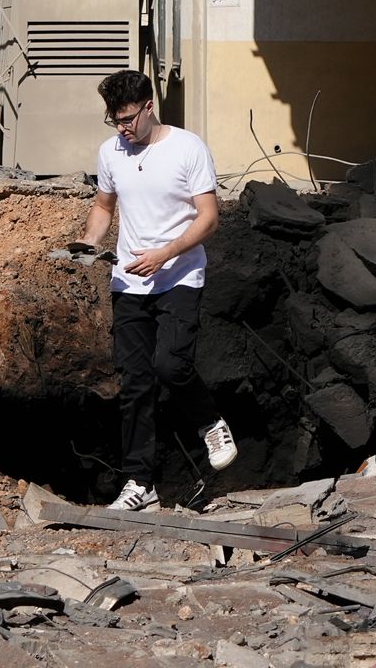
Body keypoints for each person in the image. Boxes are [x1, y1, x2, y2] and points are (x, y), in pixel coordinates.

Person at [77, 70, 237, 511]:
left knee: (169, 365)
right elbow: (103, 206)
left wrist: (165, 253)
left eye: (128, 118)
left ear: (149, 106)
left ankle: (209, 422)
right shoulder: (111, 151)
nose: (122, 128)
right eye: (114, 120)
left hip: (179, 276)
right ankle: (139, 483)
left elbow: (208, 217)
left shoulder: (188, 148)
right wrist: (89, 243)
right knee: (135, 384)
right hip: (128, 282)